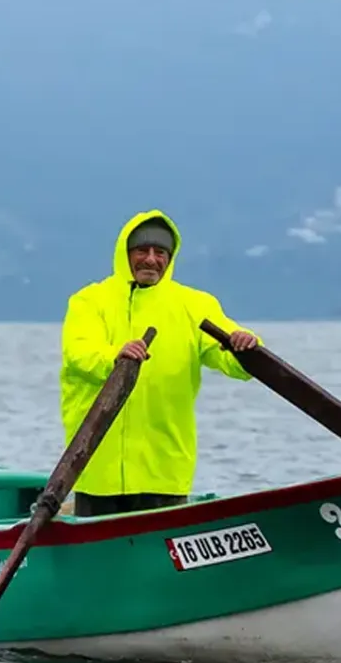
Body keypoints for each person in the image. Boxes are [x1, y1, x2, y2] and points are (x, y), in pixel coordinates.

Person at [59, 209, 261, 518]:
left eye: (160, 252)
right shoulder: (89, 302)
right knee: (98, 548)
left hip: (164, 468)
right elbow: (80, 354)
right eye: (142, 250)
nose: (151, 259)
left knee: (160, 547)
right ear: (125, 253)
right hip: (96, 465)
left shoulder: (195, 305)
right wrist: (115, 357)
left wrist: (246, 348)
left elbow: (229, 357)